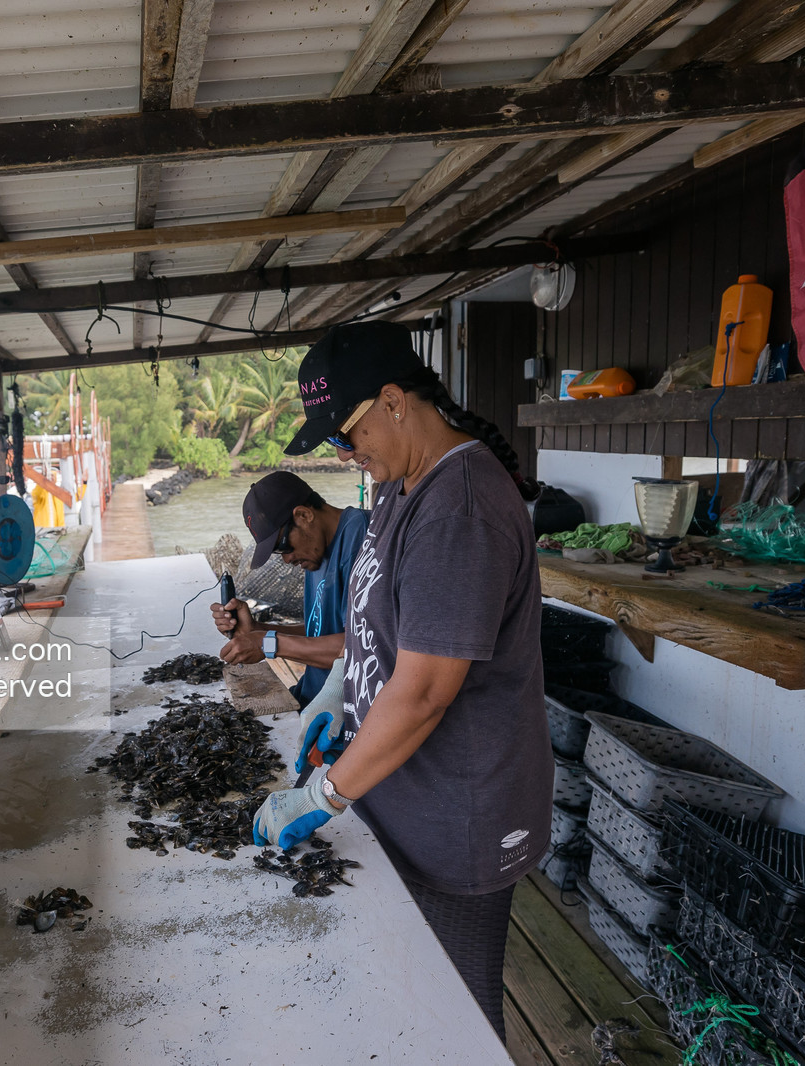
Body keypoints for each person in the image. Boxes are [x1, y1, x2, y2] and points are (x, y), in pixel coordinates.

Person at [249, 320, 551, 1041]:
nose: (346, 453)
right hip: (404, 799)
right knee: (404, 1013)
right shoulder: (398, 486)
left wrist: (324, 792)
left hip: (462, 817)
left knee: (458, 1024)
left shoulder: (462, 508)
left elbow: (423, 692)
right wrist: (340, 690)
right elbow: (384, 627)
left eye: (348, 433)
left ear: (393, 401)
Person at [210, 471, 367, 707]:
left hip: (340, 716)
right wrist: (257, 629)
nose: (286, 560)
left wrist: (269, 643)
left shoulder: (362, 539)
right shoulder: (316, 548)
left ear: (304, 515)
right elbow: (321, 631)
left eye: (283, 547)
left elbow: (360, 647)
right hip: (310, 698)